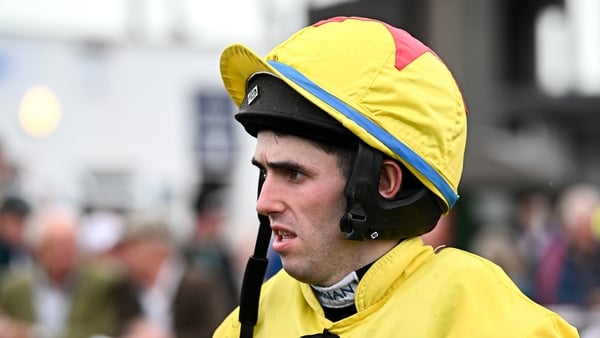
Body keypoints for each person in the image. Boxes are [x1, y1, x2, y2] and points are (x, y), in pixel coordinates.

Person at [213, 16, 579, 337]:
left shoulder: (489, 321)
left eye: (293, 173)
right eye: (264, 172)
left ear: (383, 183)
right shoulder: (245, 324)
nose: (263, 203)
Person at [0, 203, 132, 338]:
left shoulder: (103, 284)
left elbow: (104, 328)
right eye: (56, 246)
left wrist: (34, 333)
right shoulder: (14, 288)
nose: (65, 253)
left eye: (70, 245)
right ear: (38, 248)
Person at [115, 211, 229, 338]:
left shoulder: (200, 286)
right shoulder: (127, 288)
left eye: (130, 248)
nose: (124, 257)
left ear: (154, 248)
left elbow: (217, 331)